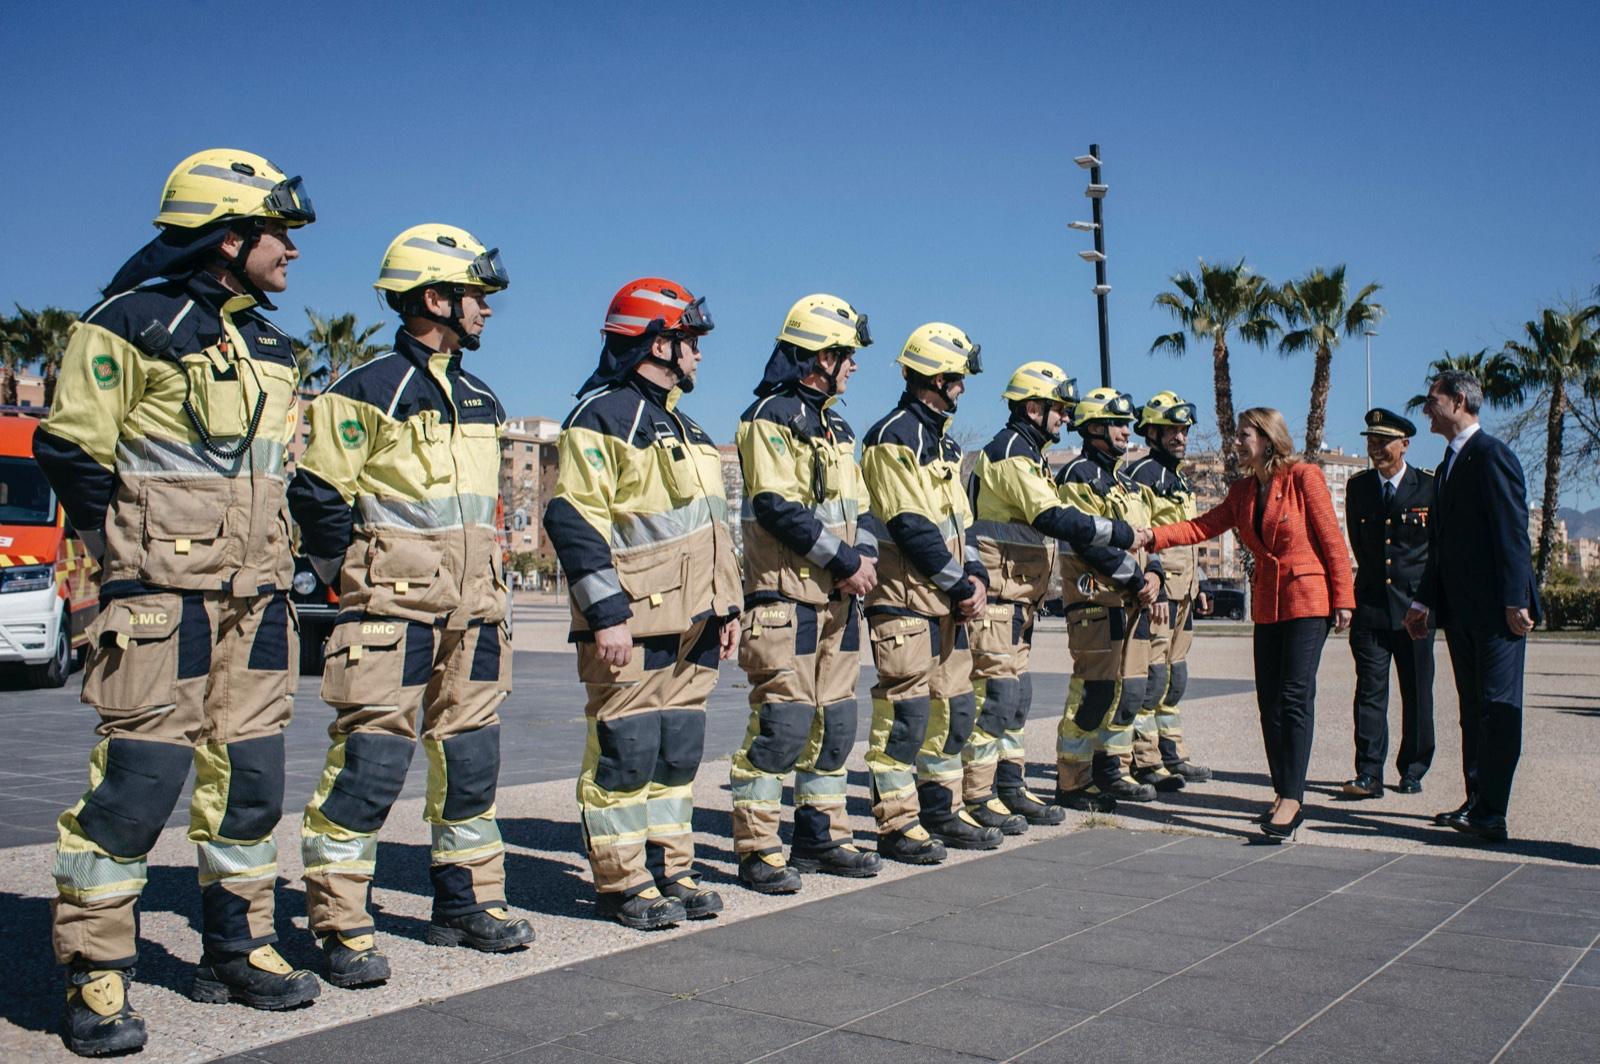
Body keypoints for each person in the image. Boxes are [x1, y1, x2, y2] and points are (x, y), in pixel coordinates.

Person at [35, 148, 319, 1055]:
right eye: (279, 234)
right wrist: (122, 559)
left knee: (251, 785)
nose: (292, 252)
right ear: (228, 235)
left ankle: (237, 948)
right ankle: (95, 972)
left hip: (258, 606)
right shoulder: (129, 323)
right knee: (137, 787)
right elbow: (71, 448)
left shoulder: (274, 346)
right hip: (162, 601)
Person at [289, 224, 534, 988]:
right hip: (391, 615)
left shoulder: (481, 396)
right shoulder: (364, 389)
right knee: (370, 765)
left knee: (471, 763)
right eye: (476, 296)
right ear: (436, 298)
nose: (487, 310)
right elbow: (319, 496)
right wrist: (354, 580)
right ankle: (340, 925)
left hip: (477, 615)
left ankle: (464, 903)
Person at [544, 278, 741, 927]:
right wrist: (606, 614)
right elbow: (575, 518)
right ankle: (623, 881)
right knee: (626, 748)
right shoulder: (601, 415)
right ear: (657, 341)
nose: (700, 354)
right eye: (690, 340)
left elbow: (712, 528)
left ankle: (670, 869)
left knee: (676, 749)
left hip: (696, 622)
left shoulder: (685, 425)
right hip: (635, 619)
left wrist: (728, 606)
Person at [729, 294, 882, 894]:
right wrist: (844, 561)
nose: (853, 366)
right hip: (786, 599)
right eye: (846, 355)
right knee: (783, 726)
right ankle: (758, 847)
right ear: (818, 357)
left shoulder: (837, 426)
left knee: (835, 724)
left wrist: (862, 557)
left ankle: (820, 834)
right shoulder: (768, 417)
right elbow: (775, 506)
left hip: (842, 600)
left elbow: (862, 506)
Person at [1153, 407, 1354, 841]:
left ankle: (1292, 798)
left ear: (1267, 437)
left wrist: (1344, 598)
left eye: (1243, 435)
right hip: (1268, 603)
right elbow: (1202, 526)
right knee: (1270, 703)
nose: (1236, 443)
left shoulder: (1304, 477)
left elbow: (1331, 541)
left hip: (1308, 600)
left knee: (1295, 697)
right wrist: (1150, 536)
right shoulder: (1244, 490)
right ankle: (1282, 789)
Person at [964, 363, 1144, 828]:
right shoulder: (1010, 452)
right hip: (999, 597)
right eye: (1059, 410)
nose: (1065, 418)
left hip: (1019, 600)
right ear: (1032, 408)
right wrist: (1119, 532)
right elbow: (1053, 517)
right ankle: (978, 794)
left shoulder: (1029, 452)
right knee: (998, 697)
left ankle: (1009, 786)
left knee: (1017, 696)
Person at [859, 323, 999, 861]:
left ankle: (941, 809)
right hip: (904, 601)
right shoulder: (892, 435)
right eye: (959, 379)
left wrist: (976, 577)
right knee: (905, 716)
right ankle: (897, 826)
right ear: (937, 378)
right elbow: (911, 524)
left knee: (953, 711)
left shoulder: (942, 441)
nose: (962, 389)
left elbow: (960, 523)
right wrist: (961, 584)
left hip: (947, 602)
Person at [1405, 371, 1539, 843]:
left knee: (1497, 709)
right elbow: (1440, 547)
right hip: (1461, 613)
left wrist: (1515, 598)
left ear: (1458, 400)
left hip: (1497, 614)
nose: (1426, 409)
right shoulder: (1447, 465)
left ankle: (1492, 812)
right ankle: (1476, 798)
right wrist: (1423, 601)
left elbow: (1512, 531)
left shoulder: (1491, 455)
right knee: (1472, 708)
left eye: (1432, 400)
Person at [1053, 387, 1168, 811]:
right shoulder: (1077, 475)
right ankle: (1072, 780)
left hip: (1133, 601)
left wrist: (1154, 574)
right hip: (1097, 601)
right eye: (1117, 423)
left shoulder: (1126, 482)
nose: (1126, 431)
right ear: (1094, 427)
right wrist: (1138, 580)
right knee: (1094, 692)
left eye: (1126, 424)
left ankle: (1111, 769)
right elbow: (1089, 544)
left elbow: (1147, 536)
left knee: (1130, 692)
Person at [1342, 407, 1435, 799]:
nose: (1376, 448)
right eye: (1371, 441)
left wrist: (1427, 602)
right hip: (1372, 608)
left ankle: (1412, 768)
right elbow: (1360, 545)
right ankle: (1368, 773)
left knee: (1416, 694)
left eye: (1384, 442)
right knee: (1369, 693)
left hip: (1414, 611)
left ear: (1405, 444)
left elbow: (1435, 552)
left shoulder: (1428, 487)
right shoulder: (1358, 487)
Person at [1126, 391, 1214, 786]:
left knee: (1176, 678)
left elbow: (1191, 535)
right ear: (1153, 433)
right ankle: (1144, 759)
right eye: (1172, 430)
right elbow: (1142, 538)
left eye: (1183, 429)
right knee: (1153, 677)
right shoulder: (1143, 475)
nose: (1181, 437)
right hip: (1161, 592)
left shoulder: (1178, 477)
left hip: (1187, 592)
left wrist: (1203, 582)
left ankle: (1171, 751)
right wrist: (1156, 587)